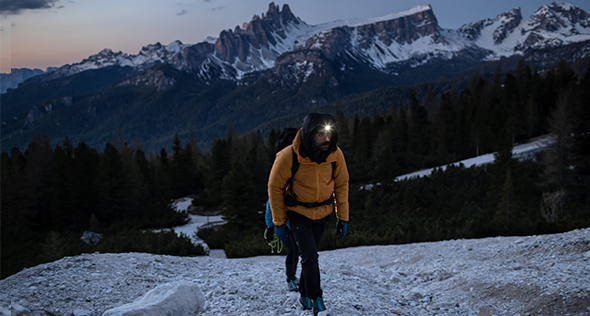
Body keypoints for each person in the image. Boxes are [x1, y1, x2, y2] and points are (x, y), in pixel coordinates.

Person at [268, 113, 349, 316]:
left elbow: (341, 185)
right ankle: (316, 298)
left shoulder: (335, 155)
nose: (326, 139)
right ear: (309, 134)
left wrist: (343, 217)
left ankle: (304, 292)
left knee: (309, 258)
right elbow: (274, 188)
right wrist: (278, 222)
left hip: (323, 213)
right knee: (310, 256)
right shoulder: (288, 155)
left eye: (329, 134)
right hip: (298, 213)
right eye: (320, 134)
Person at [264, 128, 301, 292]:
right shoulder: (285, 176)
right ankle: (291, 278)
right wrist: (271, 226)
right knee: (293, 250)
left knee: (298, 250)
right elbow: (271, 203)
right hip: (285, 223)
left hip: (295, 221)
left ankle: (294, 277)